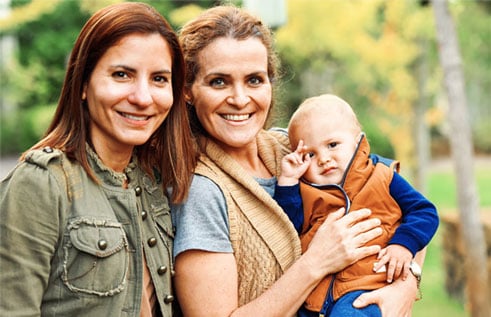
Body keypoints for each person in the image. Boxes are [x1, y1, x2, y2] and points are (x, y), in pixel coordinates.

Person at [171, 5, 424, 316]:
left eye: (254, 80)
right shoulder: (202, 193)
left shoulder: (294, 149)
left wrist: (406, 285)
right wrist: (317, 262)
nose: (239, 98)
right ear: (187, 91)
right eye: (219, 82)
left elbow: (395, 200)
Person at [0, 2, 196, 316]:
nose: (143, 98)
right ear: (83, 83)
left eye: (159, 79)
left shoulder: (156, 181)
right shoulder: (41, 183)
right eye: (122, 74)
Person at [274, 94, 439, 316]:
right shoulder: (305, 191)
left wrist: (403, 245)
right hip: (318, 296)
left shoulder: (382, 176)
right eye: (311, 154)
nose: (324, 158)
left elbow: (424, 211)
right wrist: (288, 184)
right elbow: (288, 228)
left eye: (332, 145)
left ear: (357, 141)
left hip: (369, 285)